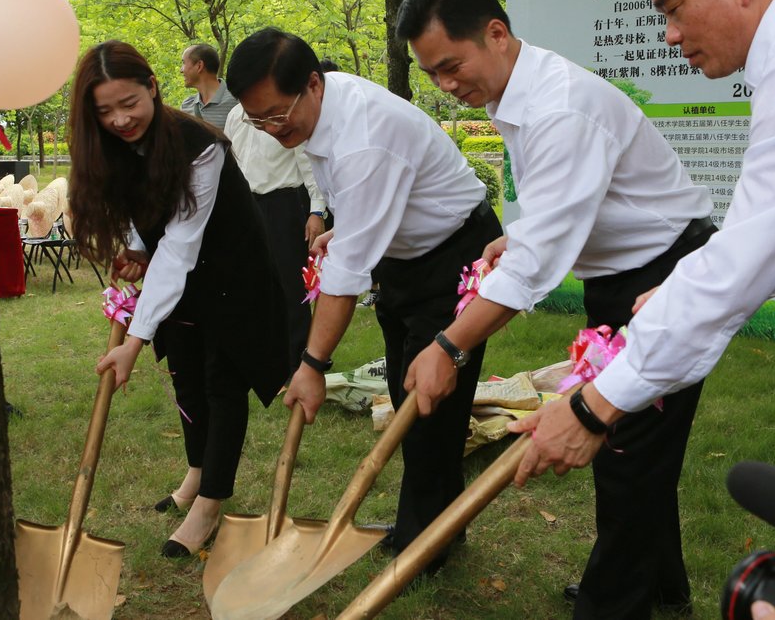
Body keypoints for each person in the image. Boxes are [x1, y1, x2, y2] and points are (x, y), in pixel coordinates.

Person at [510, 0, 775, 590]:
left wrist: (593, 407)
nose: (669, 35)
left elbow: (744, 262)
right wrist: (681, 285)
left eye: (672, 8)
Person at [397, 0, 715, 618]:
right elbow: (565, 206)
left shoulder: (558, 106)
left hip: (663, 277)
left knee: (625, 449)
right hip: (622, 277)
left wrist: (448, 346)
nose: (446, 85)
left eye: (451, 66)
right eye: (432, 74)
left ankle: (613, 604)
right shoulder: (517, 93)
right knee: (637, 447)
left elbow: (537, 269)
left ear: (496, 33)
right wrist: (515, 237)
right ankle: (660, 588)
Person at [225, 28, 499, 565]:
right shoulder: (324, 107)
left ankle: (424, 544)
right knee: (406, 389)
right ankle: (438, 523)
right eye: (258, 121)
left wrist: (311, 365)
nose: (273, 130)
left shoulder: (364, 136)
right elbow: (360, 202)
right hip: (406, 255)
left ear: (312, 84)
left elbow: (346, 277)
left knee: (427, 403)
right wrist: (345, 227)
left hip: (454, 255)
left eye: (277, 115)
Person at [68, 40, 289, 558]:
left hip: (232, 272)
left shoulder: (199, 145)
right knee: (185, 375)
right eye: (105, 111)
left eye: (129, 103)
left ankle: (210, 504)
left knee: (221, 381)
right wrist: (135, 247)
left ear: (152, 87)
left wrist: (135, 339)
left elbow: (181, 244)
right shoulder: (111, 147)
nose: (120, 120)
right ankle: (196, 473)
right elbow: (141, 218)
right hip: (184, 275)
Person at [223, 102, 326, 368]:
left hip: (284, 204)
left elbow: (308, 162)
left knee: (290, 285)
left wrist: (317, 211)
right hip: (247, 205)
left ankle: (298, 360)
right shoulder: (235, 115)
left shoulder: (281, 114)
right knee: (255, 283)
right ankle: (267, 357)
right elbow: (230, 162)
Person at [179, 43, 237, 129]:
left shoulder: (236, 101)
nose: (181, 70)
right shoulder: (186, 106)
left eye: (184, 63)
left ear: (199, 66)